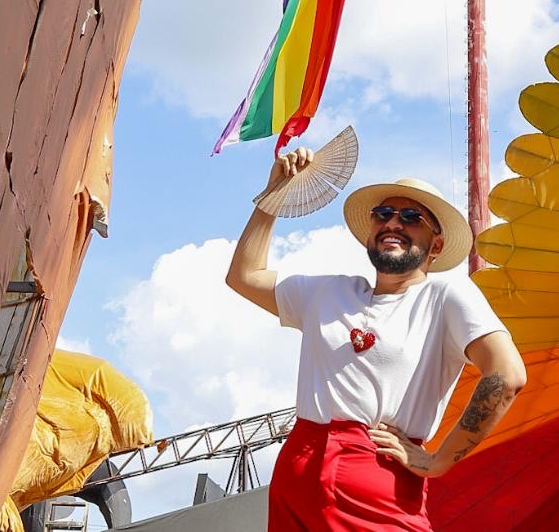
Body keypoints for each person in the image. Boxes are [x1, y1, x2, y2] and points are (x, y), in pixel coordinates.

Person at [226, 147, 527, 531]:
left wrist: (437, 461)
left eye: (412, 217)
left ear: (435, 245)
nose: (394, 223)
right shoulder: (329, 293)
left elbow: (507, 373)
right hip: (298, 470)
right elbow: (244, 276)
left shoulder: (446, 295)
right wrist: (276, 192)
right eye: (383, 214)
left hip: (378, 475)